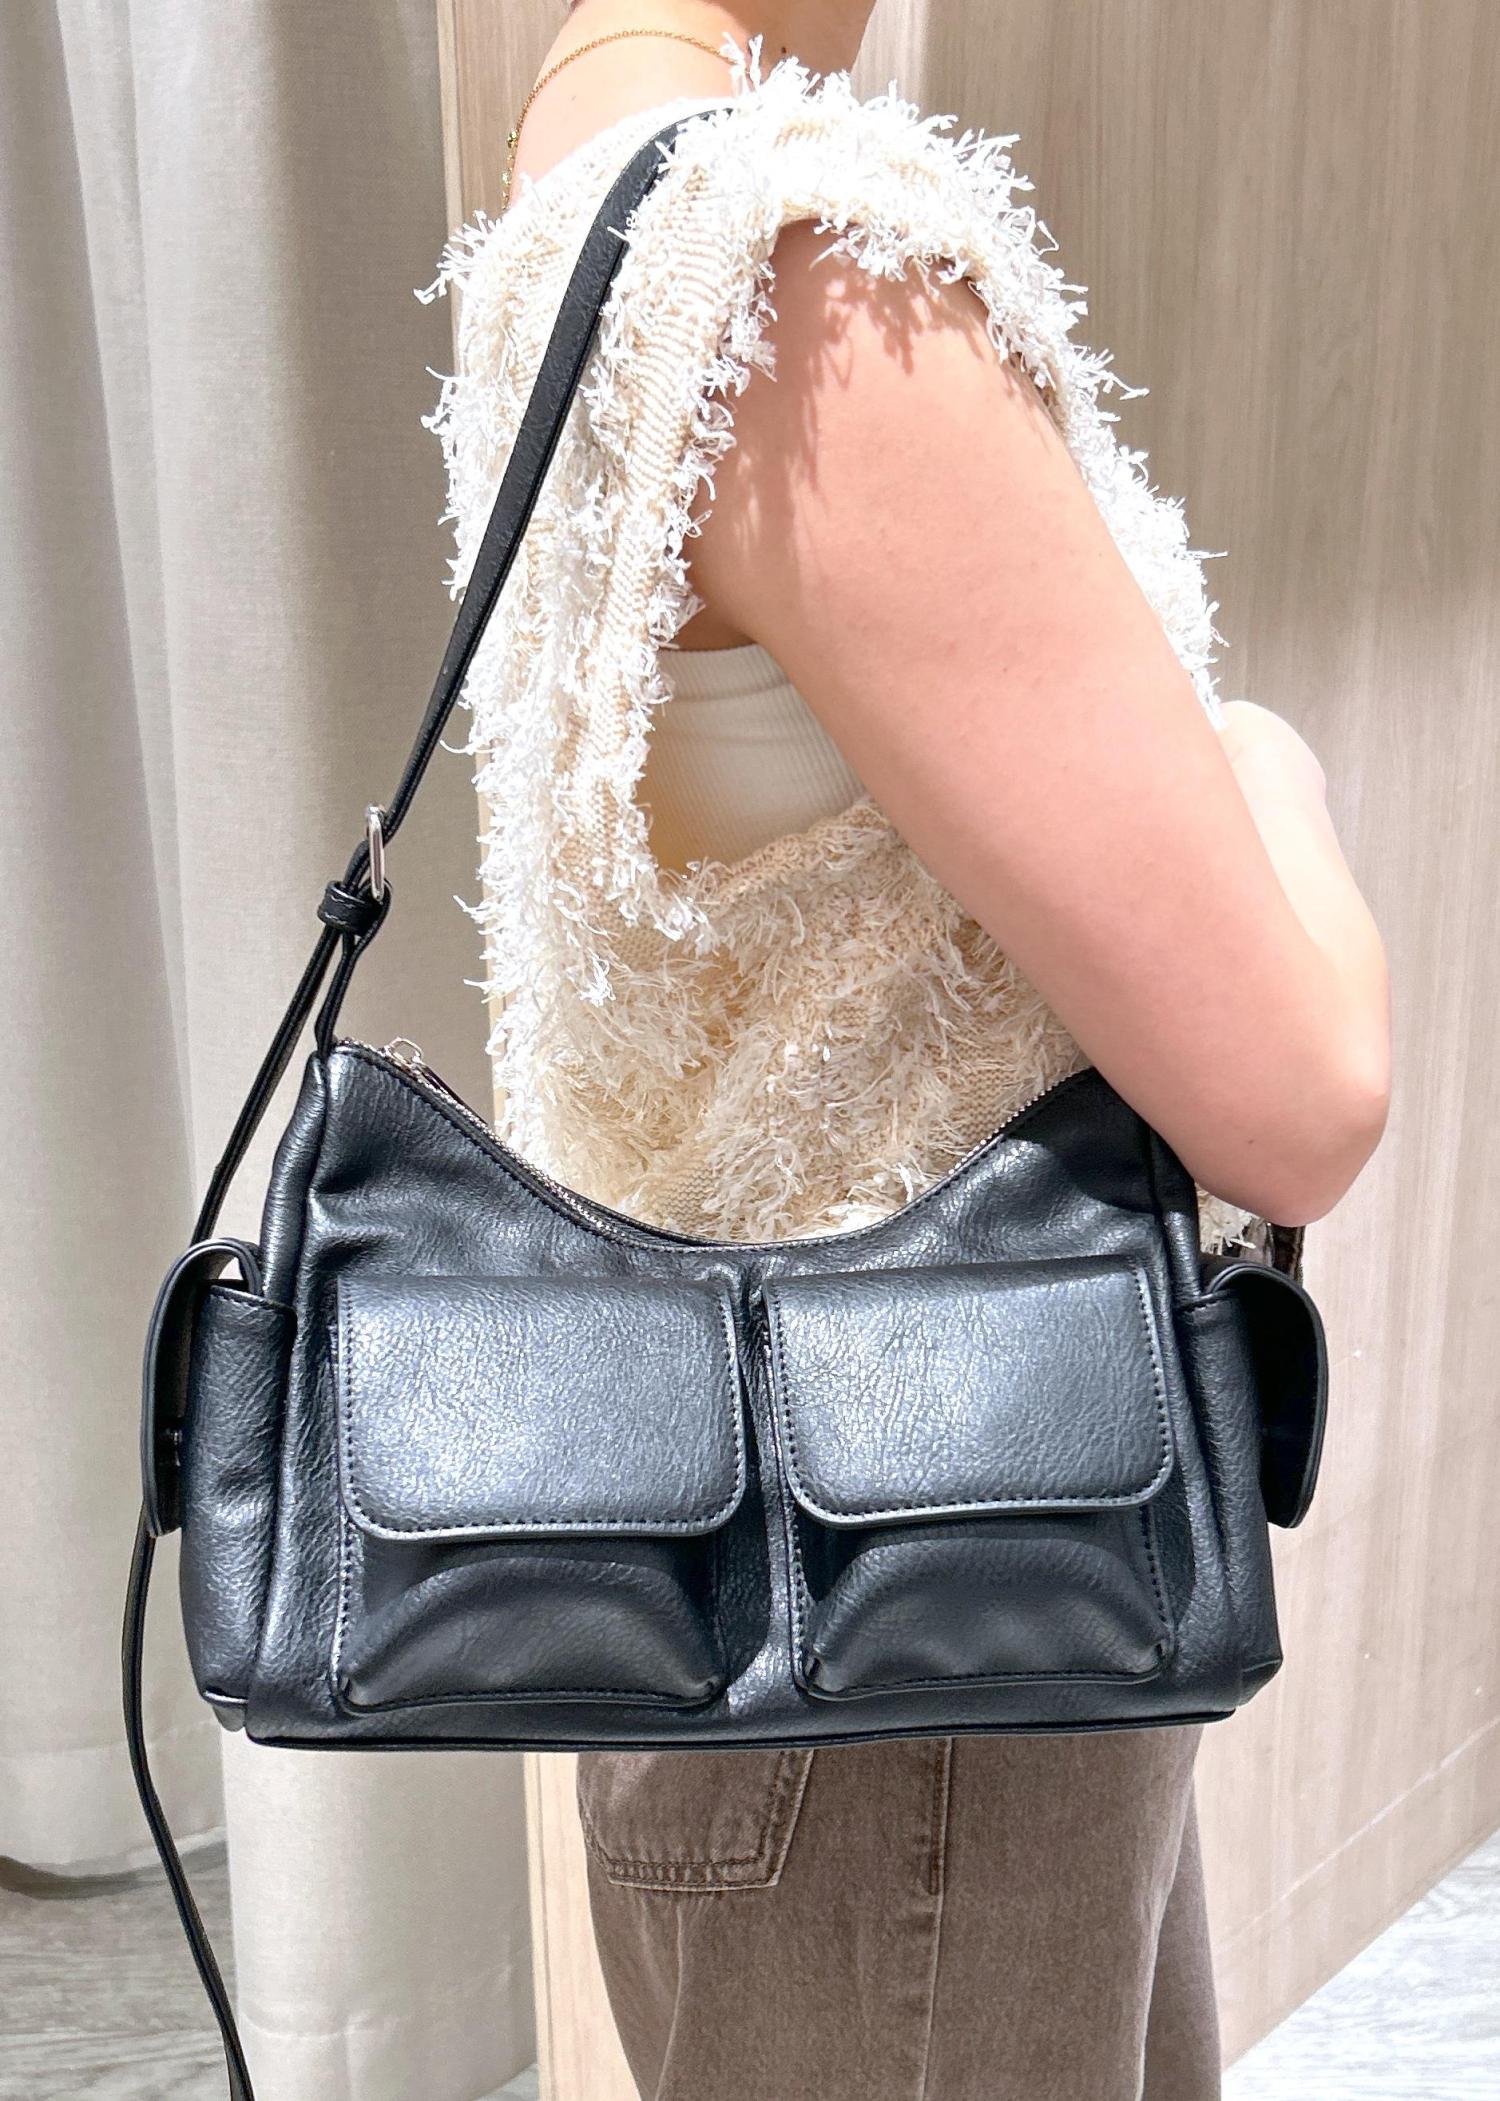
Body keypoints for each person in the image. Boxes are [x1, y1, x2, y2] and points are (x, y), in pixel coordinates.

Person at [426, 3, 1391, 2094]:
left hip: (797, 1577)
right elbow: (1302, 1093)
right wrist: (1267, 767)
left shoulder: (588, 167)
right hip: (921, 1649)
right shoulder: (802, 265)